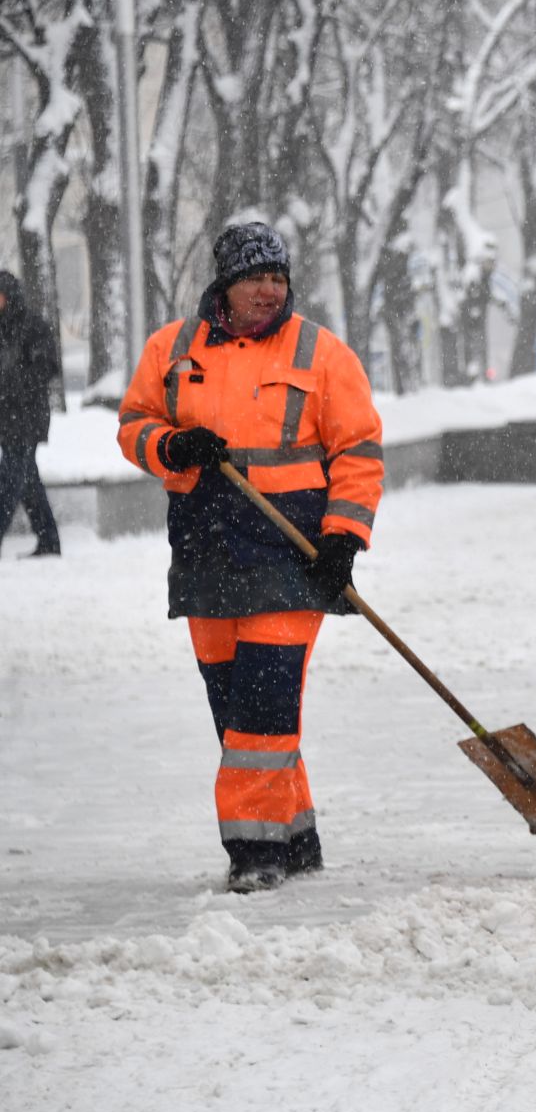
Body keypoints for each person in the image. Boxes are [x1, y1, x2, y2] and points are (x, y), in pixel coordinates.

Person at [117, 222, 384, 893]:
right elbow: (133, 425)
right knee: (235, 709)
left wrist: (344, 537)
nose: (269, 289)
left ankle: (253, 851)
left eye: (278, 277)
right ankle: (294, 835)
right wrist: (173, 447)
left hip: (291, 555)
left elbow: (358, 450)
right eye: (255, 277)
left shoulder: (322, 353)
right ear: (226, 285)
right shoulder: (172, 349)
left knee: (264, 703)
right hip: (204, 550)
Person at [0, 271, 64, 558]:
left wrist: (15, 382)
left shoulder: (31, 326)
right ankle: (49, 540)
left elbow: (48, 366)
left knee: (10, 479)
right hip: (9, 416)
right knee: (27, 481)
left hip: (26, 416)